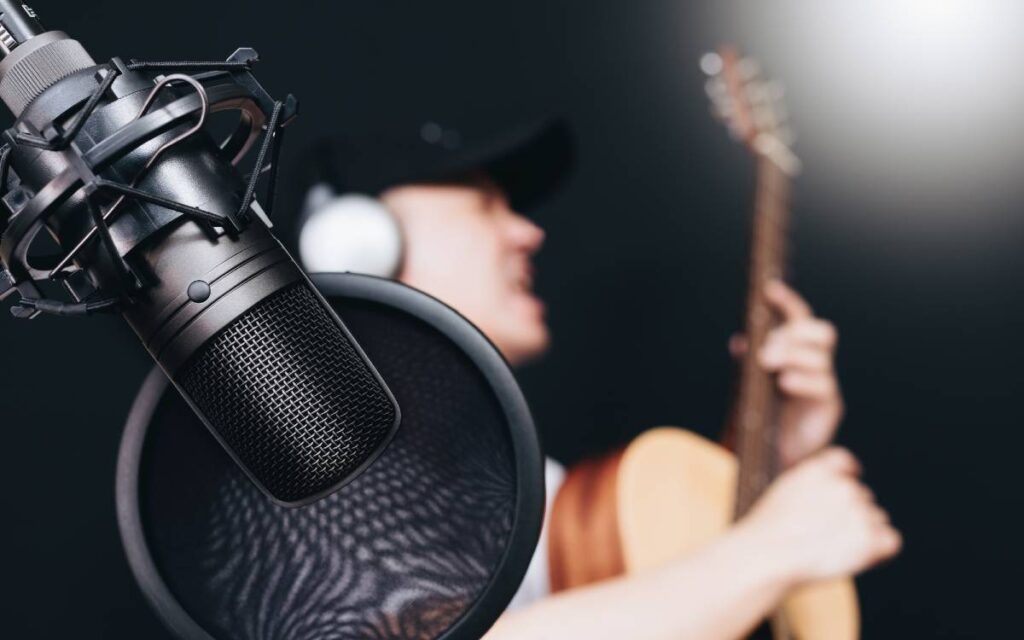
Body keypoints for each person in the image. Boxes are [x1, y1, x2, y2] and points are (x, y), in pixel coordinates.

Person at [294, 118, 901, 640]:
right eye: (485, 206)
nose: (528, 232)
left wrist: (775, 457)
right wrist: (775, 549)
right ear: (357, 245)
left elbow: (669, 603)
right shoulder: (299, 475)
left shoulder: (538, 496)